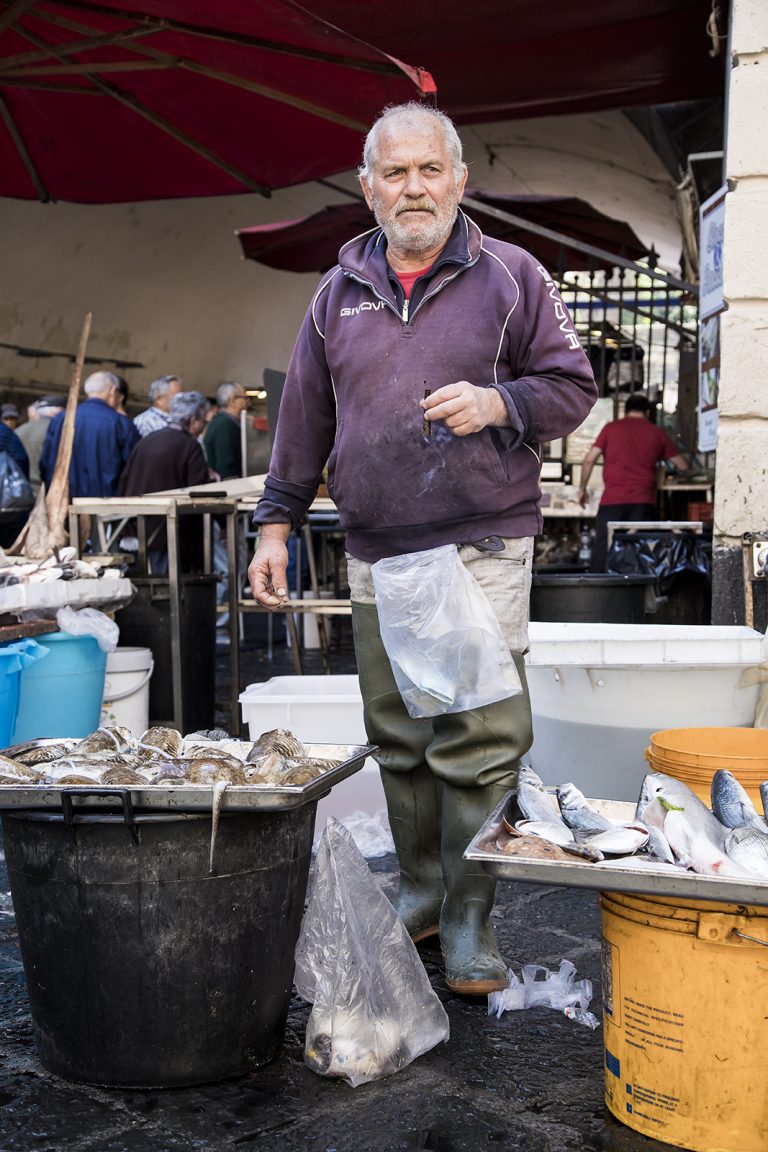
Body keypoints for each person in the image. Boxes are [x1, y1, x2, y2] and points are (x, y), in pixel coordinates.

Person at [248, 103, 597, 996]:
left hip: (480, 547)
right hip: (378, 553)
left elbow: (570, 385)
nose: (414, 189)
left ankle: (474, 917)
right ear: (368, 188)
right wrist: (276, 524)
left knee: (476, 740)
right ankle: (425, 893)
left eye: (429, 170)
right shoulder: (334, 295)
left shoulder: (512, 275)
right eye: (394, 173)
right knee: (400, 736)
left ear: (460, 180)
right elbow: (303, 423)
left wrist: (499, 405)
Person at [578, 393, 688, 571]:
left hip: (612, 500)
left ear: (626, 410)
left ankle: (597, 587)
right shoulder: (657, 432)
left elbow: (589, 459)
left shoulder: (610, 428)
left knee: (603, 546)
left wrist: (582, 489)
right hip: (643, 501)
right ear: (647, 411)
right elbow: (682, 465)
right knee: (639, 548)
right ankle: (635, 590)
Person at [118, 391, 211, 574]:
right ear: (193, 420)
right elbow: (200, 490)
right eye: (204, 422)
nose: (203, 427)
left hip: (140, 528)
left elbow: (125, 480)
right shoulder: (190, 446)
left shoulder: (148, 441)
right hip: (172, 533)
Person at [39, 370, 139, 498]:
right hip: (106, 506)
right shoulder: (120, 423)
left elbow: (46, 461)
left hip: (64, 502)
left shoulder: (61, 419)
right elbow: (134, 468)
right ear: (113, 390)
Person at [16, 396, 65, 496]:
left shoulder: (19, 430)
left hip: (19, 489)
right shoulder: (58, 432)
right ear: (59, 411)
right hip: (46, 491)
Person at [202, 381, 247, 480]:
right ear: (232, 400)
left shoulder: (222, 421)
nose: (247, 402)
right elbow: (226, 466)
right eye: (244, 398)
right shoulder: (225, 424)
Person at [133, 374, 184, 438]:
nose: (183, 400)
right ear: (159, 398)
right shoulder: (145, 422)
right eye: (178, 397)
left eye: (183, 396)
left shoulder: (181, 420)